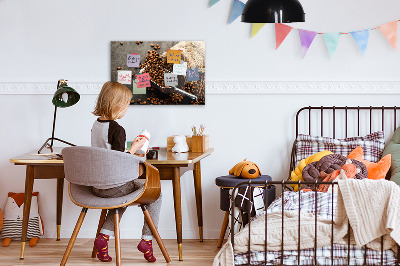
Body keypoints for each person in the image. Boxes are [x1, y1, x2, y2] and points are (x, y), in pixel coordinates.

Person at [91, 81, 161, 263]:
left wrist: (130, 149)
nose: (127, 109)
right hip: (114, 186)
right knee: (156, 194)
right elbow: (118, 161)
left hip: (97, 186)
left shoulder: (96, 125)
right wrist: (135, 149)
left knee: (122, 197)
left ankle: (103, 238)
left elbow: (108, 154)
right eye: (127, 104)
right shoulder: (117, 129)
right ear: (117, 105)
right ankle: (147, 240)